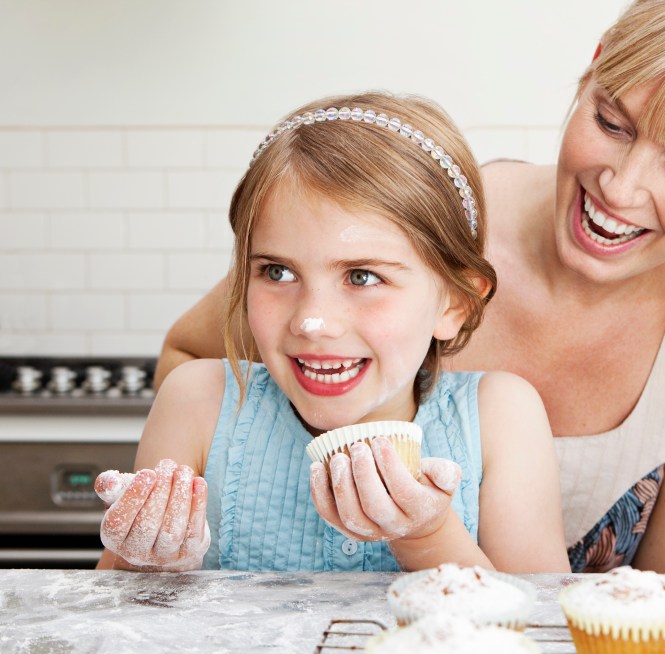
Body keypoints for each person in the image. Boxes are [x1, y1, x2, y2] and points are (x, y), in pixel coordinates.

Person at [153, 0, 665, 574]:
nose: (621, 189)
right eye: (611, 122)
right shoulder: (415, 233)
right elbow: (198, 367)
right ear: (594, 64)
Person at [96, 91, 570, 574]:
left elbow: (538, 625)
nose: (311, 322)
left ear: (455, 303)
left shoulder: (500, 419)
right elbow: (118, 621)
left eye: (362, 276)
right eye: (278, 272)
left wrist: (428, 537)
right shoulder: (197, 403)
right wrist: (147, 563)